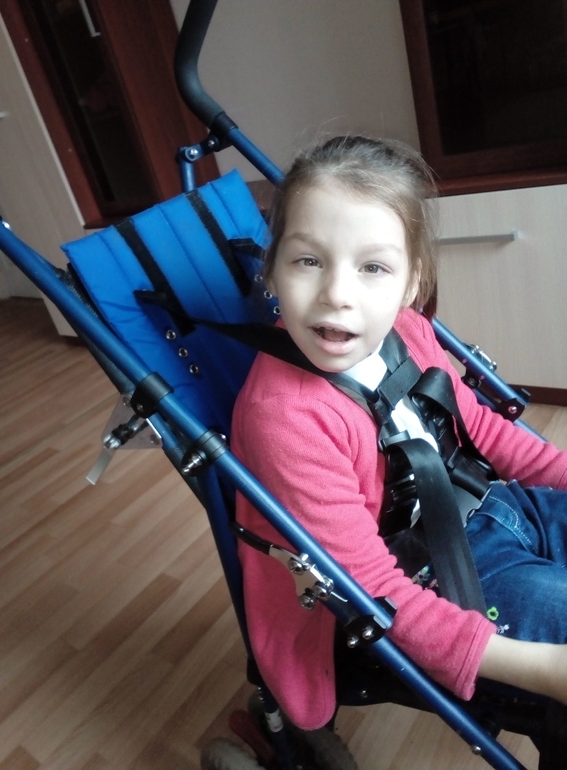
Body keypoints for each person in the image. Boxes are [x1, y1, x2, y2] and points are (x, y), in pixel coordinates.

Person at [231, 135, 567, 730]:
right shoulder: (285, 419)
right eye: (308, 261)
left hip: (495, 507)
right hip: (430, 574)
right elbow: (370, 588)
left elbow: (482, 429)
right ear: (273, 272)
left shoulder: (408, 329)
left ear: (411, 284)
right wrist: (544, 669)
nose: (337, 294)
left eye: (373, 267)